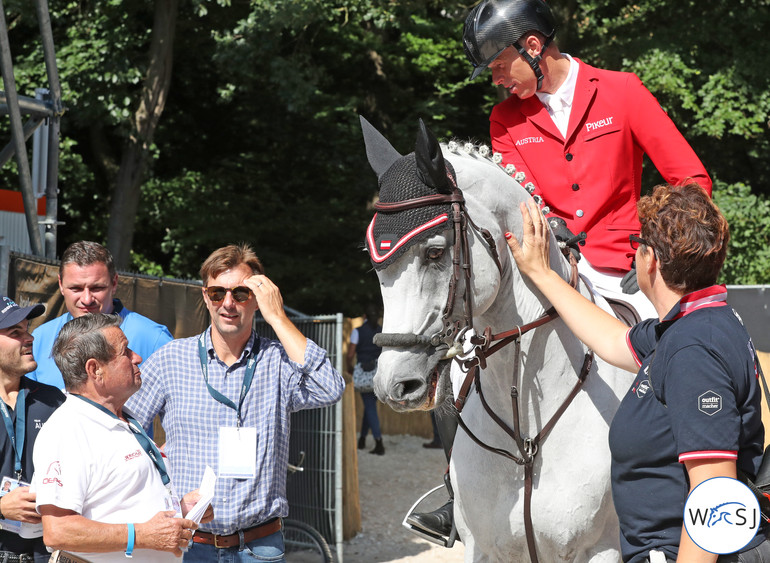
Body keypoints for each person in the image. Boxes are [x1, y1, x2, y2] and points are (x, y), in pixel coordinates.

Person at [505, 183, 767, 562]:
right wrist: (543, 274)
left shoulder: (693, 349)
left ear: (652, 261)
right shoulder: (693, 324)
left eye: (637, 246)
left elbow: (716, 495)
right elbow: (614, 341)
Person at [463, 0, 712, 315]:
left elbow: (692, 180)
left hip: (627, 266)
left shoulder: (622, 91)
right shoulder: (504, 119)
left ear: (533, 46)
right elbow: (524, 198)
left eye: (499, 64)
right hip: (557, 269)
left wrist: (664, 248)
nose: (496, 79)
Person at [125, 243, 345, 562]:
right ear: (205, 296)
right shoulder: (171, 359)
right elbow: (127, 430)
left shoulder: (278, 361)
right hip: (190, 544)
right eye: (218, 293)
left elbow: (330, 388)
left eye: (240, 294)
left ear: (256, 300)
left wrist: (279, 317)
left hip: (260, 545)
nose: (228, 303)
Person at [32, 314, 213, 562]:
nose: (137, 357)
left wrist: (180, 511)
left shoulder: (124, 418)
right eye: (125, 351)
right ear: (95, 370)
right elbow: (58, 531)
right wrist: (141, 535)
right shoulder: (68, 429)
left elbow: (120, 504)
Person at [29, 241, 173, 391]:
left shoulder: (153, 338)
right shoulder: (40, 340)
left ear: (114, 283)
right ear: (60, 284)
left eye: (97, 288)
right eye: (76, 288)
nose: (86, 299)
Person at [0, 296, 65, 563]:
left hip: (44, 555)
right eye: (16, 332)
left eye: (27, 329)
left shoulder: (56, 401)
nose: (30, 338)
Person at [346, 304, 385, 455]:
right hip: (379, 371)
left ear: (364, 317)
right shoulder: (382, 330)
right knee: (370, 407)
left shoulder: (358, 331)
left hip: (364, 372)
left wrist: (349, 367)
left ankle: (379, 443)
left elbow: (350, 354)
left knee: (370, 407)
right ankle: (362, 439)